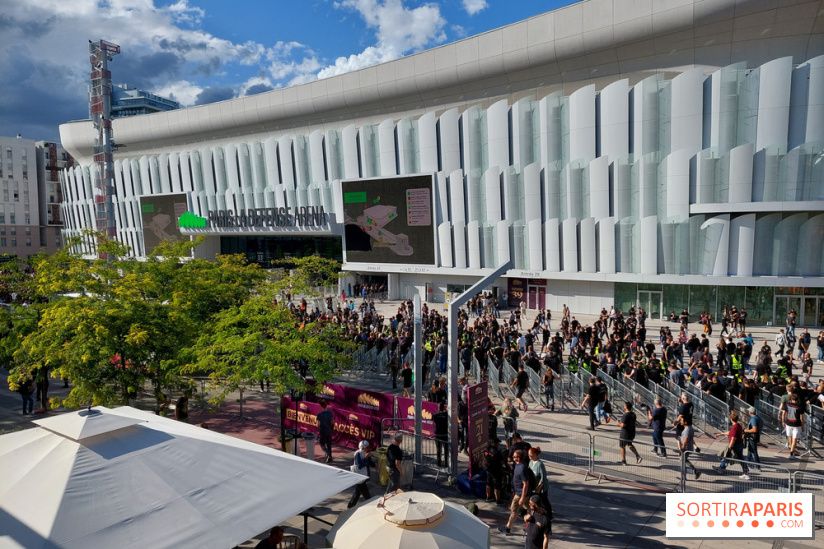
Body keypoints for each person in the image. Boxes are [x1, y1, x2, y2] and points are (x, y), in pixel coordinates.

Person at [498, 449, 533, 535]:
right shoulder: (518, 465)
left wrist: (522, 497)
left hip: (520, 494)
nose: (512, 457)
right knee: (529, 509)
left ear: (518, 458)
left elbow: (526, 484)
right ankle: (530, 526)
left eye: (514, 456)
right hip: (519, 493)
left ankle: (508, 528)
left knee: (514, 510)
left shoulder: (522, 468)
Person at [712, 411, 749, 479]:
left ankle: (721, 468)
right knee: (740, 458)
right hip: (740, 444)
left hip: (735, 445)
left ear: (731, 419)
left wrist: (729, 447)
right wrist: (720, 434)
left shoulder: (735, 427)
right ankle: (745, 472)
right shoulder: (738, 425)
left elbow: (733, 438)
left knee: (727, 455)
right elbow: (730, 432)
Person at [348, 440, 376, 508]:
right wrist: (365, 458)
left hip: (363, 476)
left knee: (357, 492)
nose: (368, 449)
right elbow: (359, 465)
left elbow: (370, 462)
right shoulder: (358, 454)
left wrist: (375, 465)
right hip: (359, 476)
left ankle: (350, 506)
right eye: (367, 447)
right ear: (362, 447)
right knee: (365, 493)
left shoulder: (366, 453)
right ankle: (370, 504)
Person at [783, 391, 806, 458]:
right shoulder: (800, 407)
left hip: (788, 422)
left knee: (789, 437)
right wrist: (803, 426)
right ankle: (792, 452)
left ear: (791, 398)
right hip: (796, 424)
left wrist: (783, 421)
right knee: (795, 438)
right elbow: (802, 418)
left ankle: (792, 450)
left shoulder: (787, 404)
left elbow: (783, 413)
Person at [677, 416, 700, 480]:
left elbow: (685, 440)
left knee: (682, 461)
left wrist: (681, 449)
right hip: (688, 447)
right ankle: (695, 471)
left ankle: (684, 476)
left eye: (681, 420)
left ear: (685, 422)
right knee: (684, 460)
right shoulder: (690, 428)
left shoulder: (687, 430)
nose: (680, 421)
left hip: (686, 448)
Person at [484, 437, 506, 504]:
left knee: (488, 483)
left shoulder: (487, 449)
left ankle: (488, 497)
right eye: (497, 443)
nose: (498, 444)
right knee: (497, 485)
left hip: (488, 469)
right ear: (495, 444)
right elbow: (502, 462)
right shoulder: (497, 452)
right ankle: (498, 500)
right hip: (496, 470)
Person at [528, 446, 550, 513]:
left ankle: (549, 513)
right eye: (528, 455)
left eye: (530, 455)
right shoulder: (531, 462)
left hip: (541, 488)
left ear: (535, 455)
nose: (529, 456)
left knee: (544, 500)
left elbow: (543, 478)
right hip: (533, 486)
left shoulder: (540, 464)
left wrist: (538, 489)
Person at [433, 402, 449, 467]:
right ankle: (446, 463)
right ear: (444, 408)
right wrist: (446, 411)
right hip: (444, 434)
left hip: (437, 434)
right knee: (446, 450)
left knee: (438, 449)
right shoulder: (446, 415)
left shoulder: (435, 414)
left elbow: (432, 419)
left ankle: (439, 463)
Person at [317, 399, 334, 463]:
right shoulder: (329, 412)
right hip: (329, 430)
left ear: (320, 406)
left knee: (322, 444)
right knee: (329, 444)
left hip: (323, 431)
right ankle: (330, 457)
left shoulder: (319, 414)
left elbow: (318, 424)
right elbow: (332, 422)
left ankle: (328, 455)